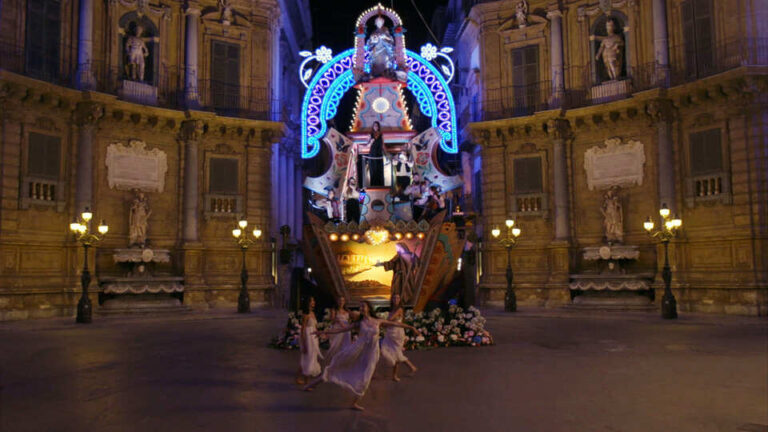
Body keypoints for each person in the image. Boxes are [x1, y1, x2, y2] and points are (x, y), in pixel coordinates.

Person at [304, 300, 419, 411]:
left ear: (368, 308)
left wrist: (411, 327)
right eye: (360, 307)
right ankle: (312, 384)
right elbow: (342, 329)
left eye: (363, 306)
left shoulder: (378, 321)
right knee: (337, 366)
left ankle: (354, 402)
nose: (361, 309)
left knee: (366, 376)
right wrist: (324, 332)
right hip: (358, 351)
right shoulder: (359, 323)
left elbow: (396, 323)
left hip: (372, 353)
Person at [380, 294, 418, 381]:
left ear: (400, 300)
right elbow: (389, 322)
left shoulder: (399, 309)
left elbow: (391, 320)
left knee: (397, 353)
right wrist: (383, 325)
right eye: (394, 298)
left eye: (397, 298)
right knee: (391, 351)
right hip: (390, 332)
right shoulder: (391, 309)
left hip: (397, 333)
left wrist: (381, 322)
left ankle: (395, 375)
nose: (396, 299)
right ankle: (411, 367)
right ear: (392, 299)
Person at [296, 297, 322, 385]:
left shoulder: (313, 313)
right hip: (308, 338)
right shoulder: (305, 315)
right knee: (308, 358)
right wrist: (304, 343)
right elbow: (303, 329)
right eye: (312, 301)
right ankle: (307, 383)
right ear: (308, 303)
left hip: (313, 338)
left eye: (314, 300)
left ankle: (298, 377)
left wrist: (319, 334)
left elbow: (314, 326)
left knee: (310, 358)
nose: (314, 302)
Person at [326, 296, 352, 362]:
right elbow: (332, 320)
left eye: (343, 300)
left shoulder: (347, 310)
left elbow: (350, 320)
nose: (341, 302)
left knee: (345, 346)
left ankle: (343, 362)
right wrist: (338, 321)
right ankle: (335, 362)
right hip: (337, 329)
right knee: (336, 347)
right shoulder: (334, 310)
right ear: (337, 301)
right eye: (340, 300)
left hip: (345, 329)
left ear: (344, 302)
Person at [367, 122, 385, 187]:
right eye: (374, 125)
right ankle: (373, 185)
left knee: (379, 170)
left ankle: (381, 186)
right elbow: (367, 145)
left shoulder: (381, 135)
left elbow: (383, 145)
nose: (376, 127)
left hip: (379, 154)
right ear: (373, 127)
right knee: (373, 170)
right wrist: (371, 142)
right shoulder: (370, 135)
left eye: (377, 125)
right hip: (372, 155)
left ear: (378, 127)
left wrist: (386, 153)